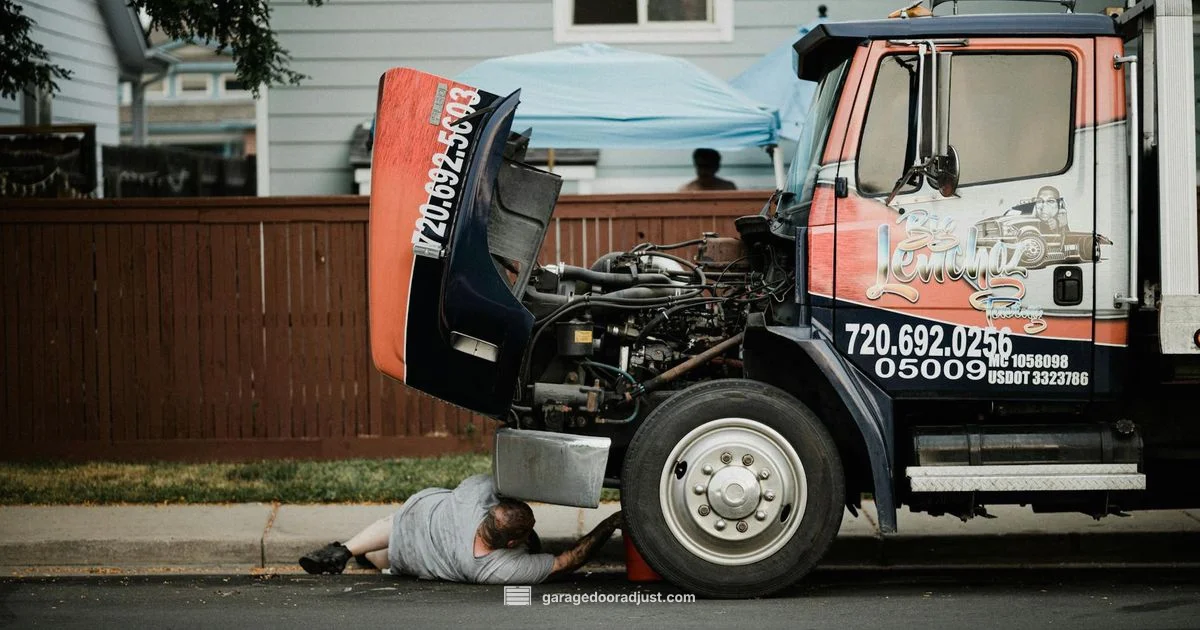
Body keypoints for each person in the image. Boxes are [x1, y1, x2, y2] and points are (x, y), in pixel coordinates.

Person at [299, 474, 623, 584]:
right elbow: (567, 561)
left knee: (394, 526)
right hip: (409, 555)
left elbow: (505, 477)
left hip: (415, 513)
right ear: (511, 544)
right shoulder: (493, 568)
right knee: (386, 557)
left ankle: (344, 550)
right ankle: (363, 558)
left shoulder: (474, 495)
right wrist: (610, 523)